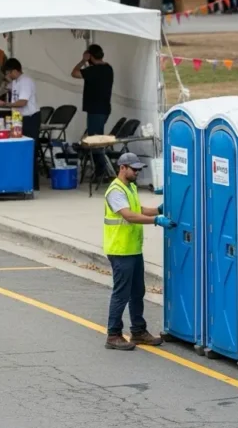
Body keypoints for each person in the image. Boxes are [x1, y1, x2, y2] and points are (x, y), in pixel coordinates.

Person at [103, 153, 176, 350]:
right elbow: (129, 216)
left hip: (133, 249)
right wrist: (156, 221)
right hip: (120, 250)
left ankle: (138, 331)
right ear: (122, 168)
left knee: (137, 292)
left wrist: (158, 210)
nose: (137, 172)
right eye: (134, 169)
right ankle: (113, 335)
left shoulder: (130, 187)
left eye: (138, 169)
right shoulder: (115, 191)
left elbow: (138, 209)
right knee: (121, 294)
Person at [0, 59, 41, 191]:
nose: (7, 76)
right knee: (21, 150)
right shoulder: (15, 82)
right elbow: (5, 88)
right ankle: (23, 181)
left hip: (30, 118)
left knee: (30, 150)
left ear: (15, 71)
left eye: (8, 73)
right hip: (19, 119)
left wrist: (5, 104)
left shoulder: (26, 81)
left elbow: (22, 102)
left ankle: (33, 184)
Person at [71, 44, 114, 179]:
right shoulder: (108, 68)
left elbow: (74, 73)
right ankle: (101, 170)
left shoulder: (94, 70)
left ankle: (102, 170)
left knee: (95, 140)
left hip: (95, 110)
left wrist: (83, 61)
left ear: (90, 56)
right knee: (96, 138)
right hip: (104, 108)